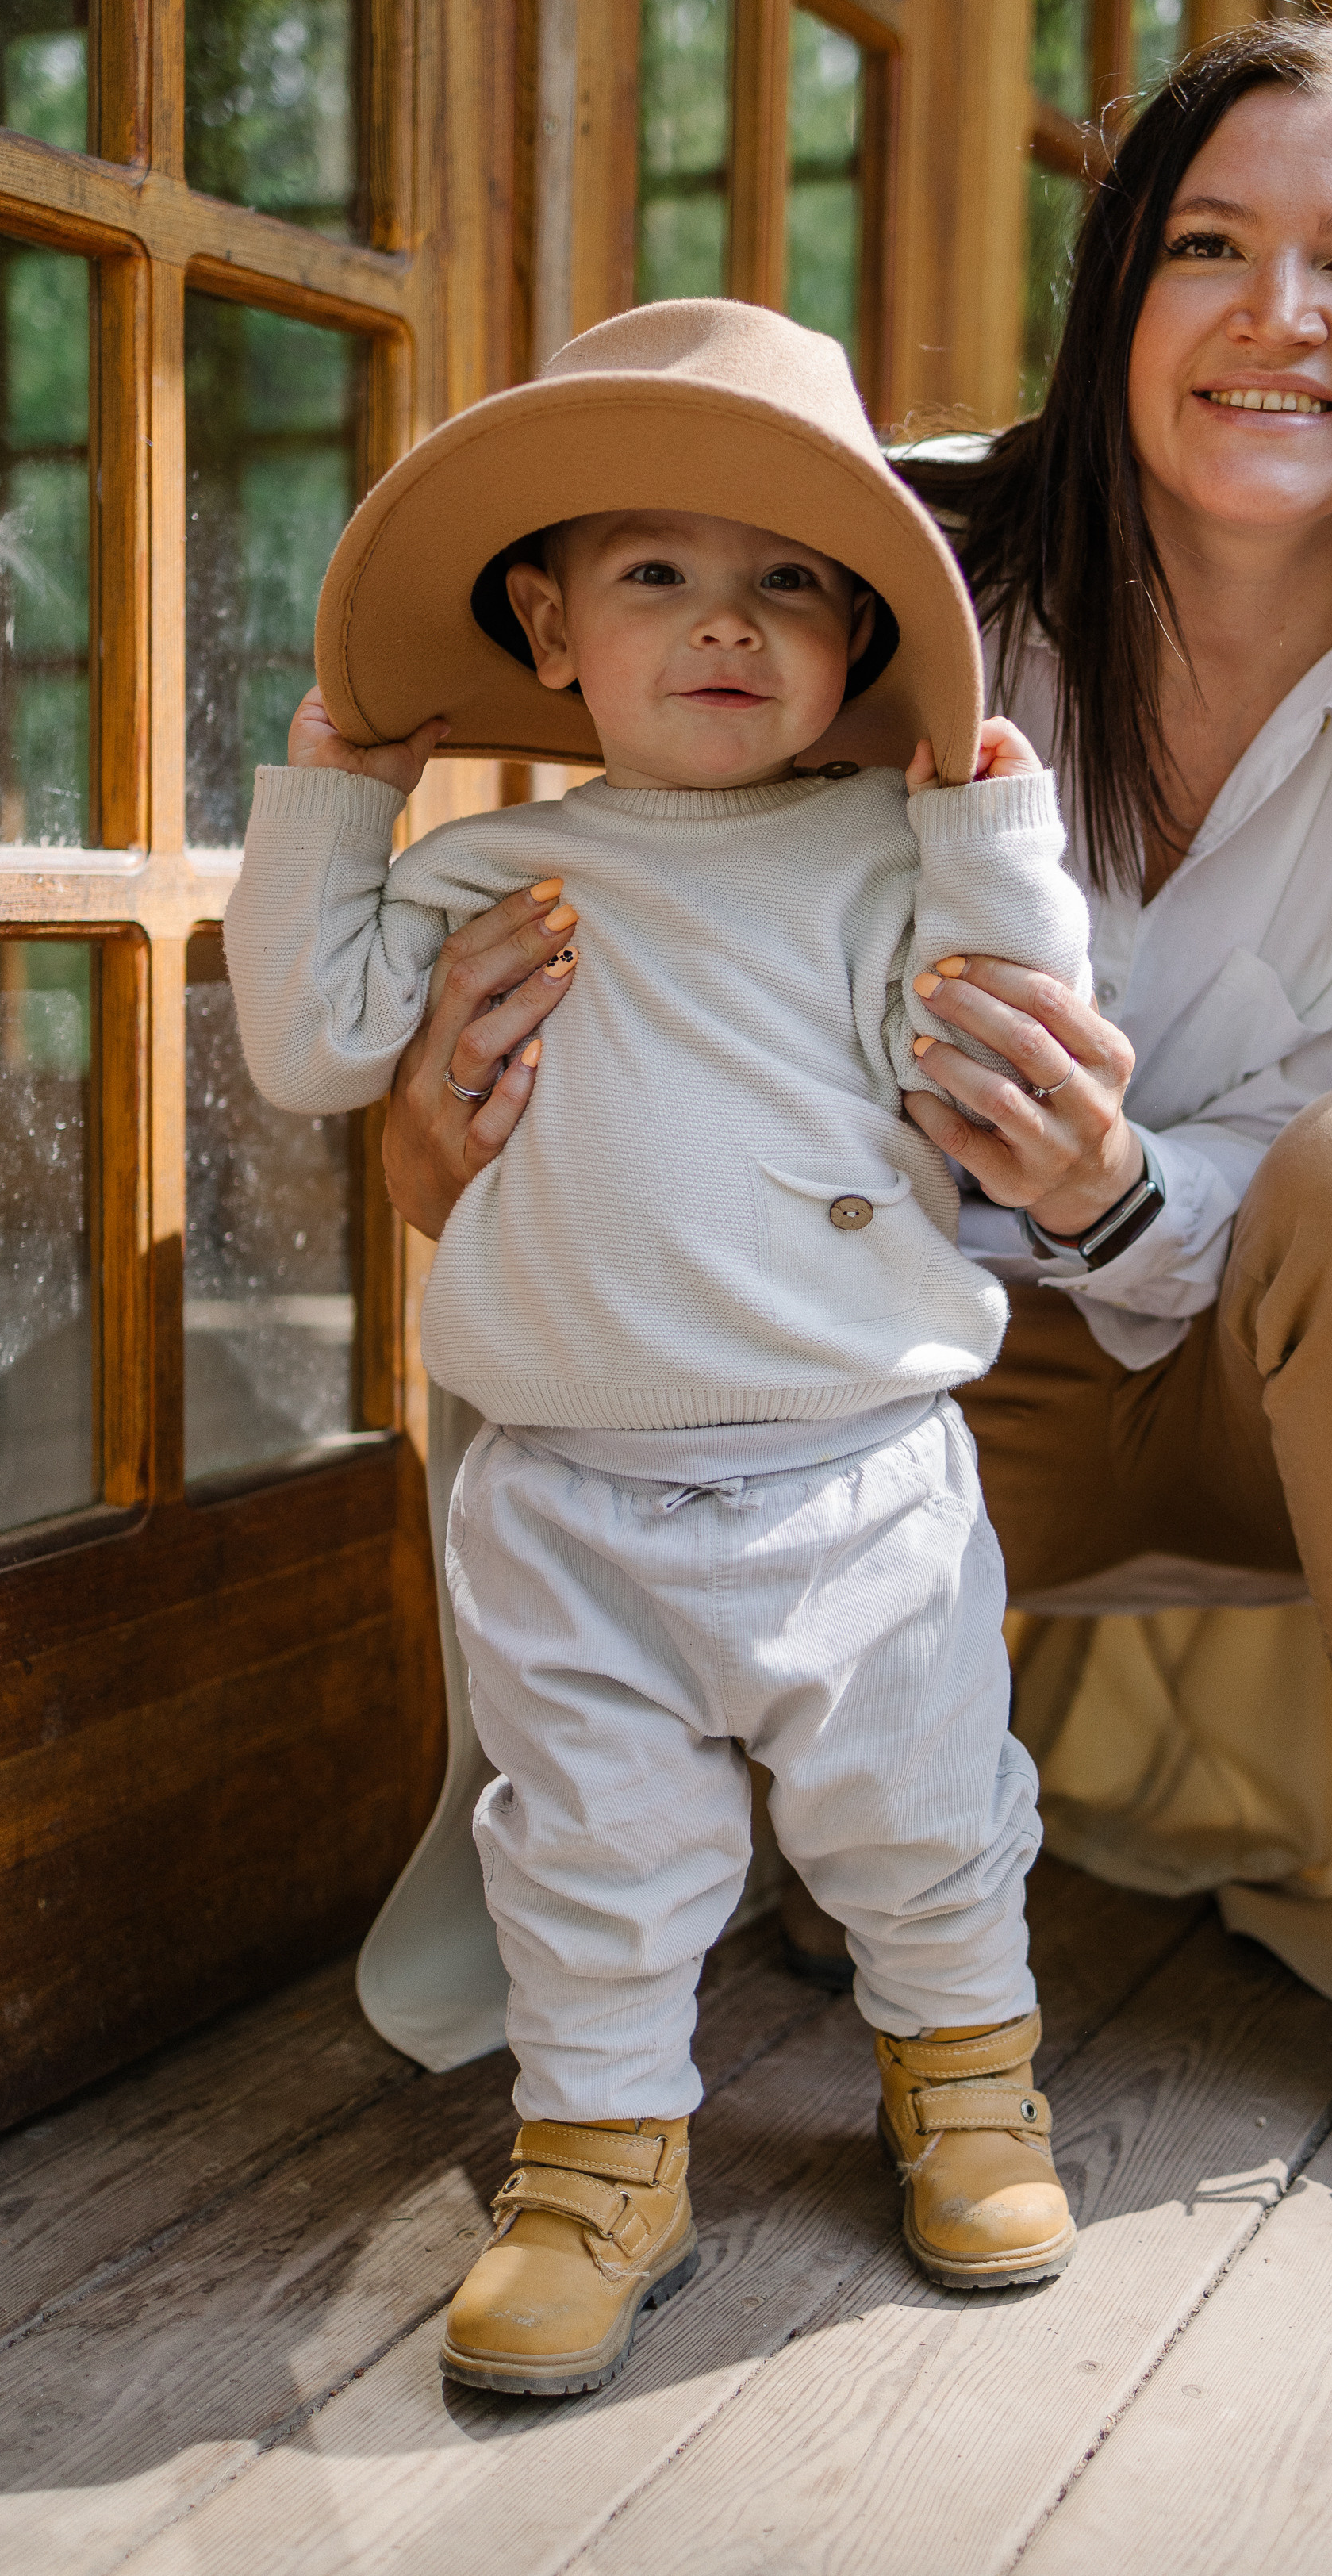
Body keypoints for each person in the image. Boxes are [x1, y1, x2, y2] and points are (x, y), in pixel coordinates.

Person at [376, 21, 1332, 2248]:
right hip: (900, 1391)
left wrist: (1123, 1190)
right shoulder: (880, 587)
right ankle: (847, 1826)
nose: (1278, 319)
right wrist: (439, 1135)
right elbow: (622, 922)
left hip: (1296, 1401)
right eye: (1210, 246)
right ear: (1117, 286)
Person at [224, 299, 1097, 2398]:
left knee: (919, 1810)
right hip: (568, 1488)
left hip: (857, 1468)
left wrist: (987, 824)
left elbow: (1011, 1022)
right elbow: (313, 1041)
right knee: (592, 1840)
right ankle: (601, 2166)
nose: (726, 624)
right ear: (547, 628)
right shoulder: (490, 868)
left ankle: (968, 2087)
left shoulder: (885, 858)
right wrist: (339, 796)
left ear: (860, 641)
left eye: (789, 581)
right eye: (658, 577)